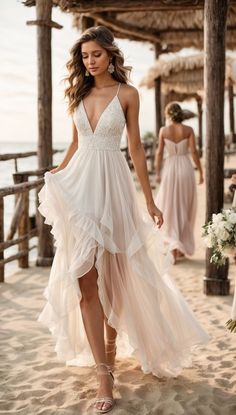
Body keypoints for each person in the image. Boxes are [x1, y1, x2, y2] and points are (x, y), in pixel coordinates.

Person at [38, 27, 209, 413]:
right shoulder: (79, 95)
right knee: (83, 278)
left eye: (96, 54)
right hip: (82, 187)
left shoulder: (128, 94)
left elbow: (134, 146)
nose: (90, 61)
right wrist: (57, 172)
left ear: (111, 55)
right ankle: (102, 373)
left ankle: (112, 351)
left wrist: (149, 200)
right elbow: (77, 143)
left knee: (115, 278)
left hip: (113, 187)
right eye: (84, 56)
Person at [155, 102, 204, 264]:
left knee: (169, 208)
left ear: (168, 114)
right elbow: (194, 152)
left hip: (170, 169)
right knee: (184, 206)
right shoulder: (188, 130)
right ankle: (178, 246)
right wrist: (201, 171)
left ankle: (174, 250)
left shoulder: (164, 131)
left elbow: (159, 153)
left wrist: (157, 172)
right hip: (185, 168)